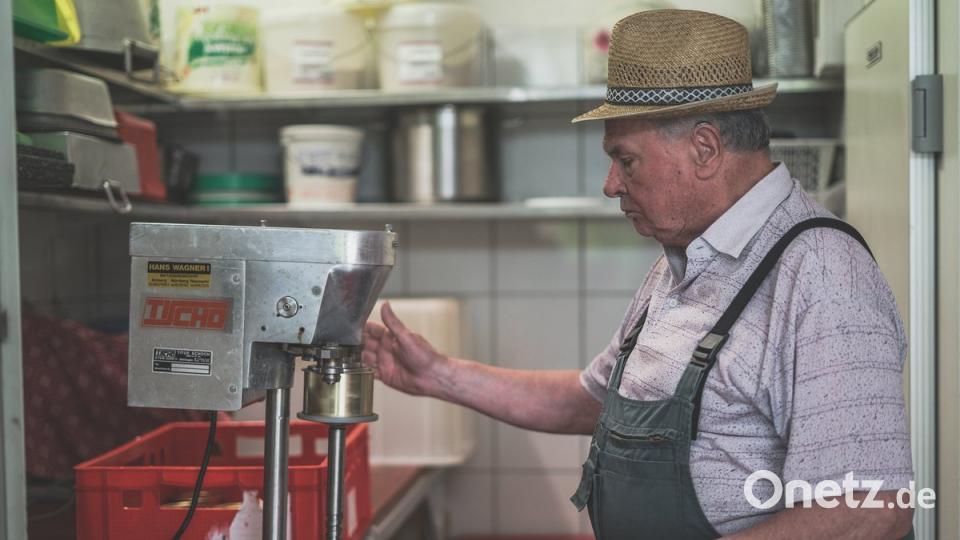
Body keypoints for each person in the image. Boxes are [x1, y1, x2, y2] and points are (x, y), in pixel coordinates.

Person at [362, 9, 914, 540]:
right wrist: (438, 375)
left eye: (625, 159)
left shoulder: (821, 273)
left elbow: (869, 512)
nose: (610, 184)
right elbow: (596, 400)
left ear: (705, 148)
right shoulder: (685, 258)